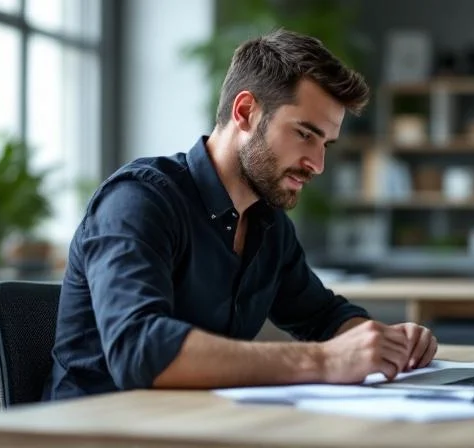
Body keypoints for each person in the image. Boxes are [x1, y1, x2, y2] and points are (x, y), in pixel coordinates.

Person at [43, 28, 438, 401]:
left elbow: (322, 315)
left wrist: (384, 343)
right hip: (96, 430)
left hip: (194, 426)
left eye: (326, 144)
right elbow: (140, 351)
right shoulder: (139, 200)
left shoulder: (267, 223)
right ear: (246, 111)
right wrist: (326, 360)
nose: (317, 164)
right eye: (305, 133)